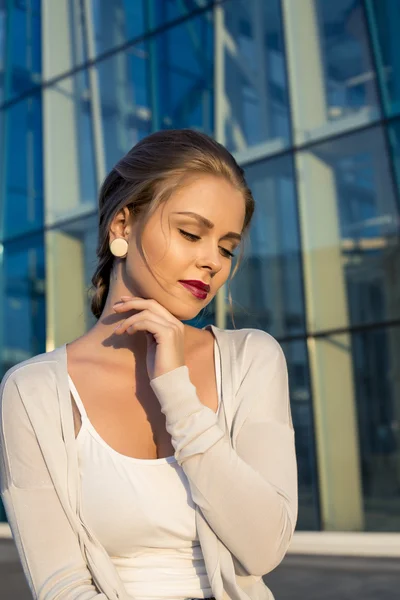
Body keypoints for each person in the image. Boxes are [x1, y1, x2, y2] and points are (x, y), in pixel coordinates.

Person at [0, 129, 298, 600]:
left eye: (226, 247)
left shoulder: (251, 360)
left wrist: (177, 392)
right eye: (190, 233)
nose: (211, 262)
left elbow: (264, 549)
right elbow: (60, 585)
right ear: (122, 226)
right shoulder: (33, 392)